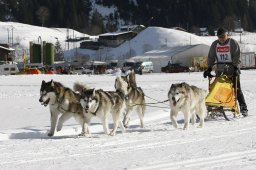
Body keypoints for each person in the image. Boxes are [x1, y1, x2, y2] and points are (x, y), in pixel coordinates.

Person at [203, 27, 248, 117]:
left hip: (232, 69)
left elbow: (237, 56)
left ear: (227, 35)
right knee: (218, 88)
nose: (222, 38)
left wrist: (235, 67)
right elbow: (211, 57)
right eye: (220, 37)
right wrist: (209, 68)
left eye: (223, 36)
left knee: (236, 89)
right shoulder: (215, 44)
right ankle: (218, 106)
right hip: (220, 70)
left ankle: (243, 108)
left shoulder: (232, 43)